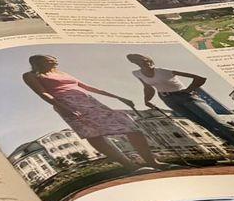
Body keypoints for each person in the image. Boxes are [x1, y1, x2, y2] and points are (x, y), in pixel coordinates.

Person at [22, 54, 160, 169]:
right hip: (68, 104)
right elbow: (43, 93)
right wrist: (65, 108)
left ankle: (152, 161)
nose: (54, 61)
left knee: (129, 125)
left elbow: (88, 87)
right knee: (93, 135)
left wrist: (119, 97)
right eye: (50, 59)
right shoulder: (30, 75)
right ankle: (129, 166)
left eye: (54, 60)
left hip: (89, 101)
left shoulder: (62, 73)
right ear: (39, 62)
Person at [126, 53, 234, 161]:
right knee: (209, 127)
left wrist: (188, 90)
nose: (145, 64)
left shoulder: (164, 71)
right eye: (140, 62)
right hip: (169, 100)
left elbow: (200, 78)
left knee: (217, 122)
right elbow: (148, 87)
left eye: (147, 61)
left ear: (150, 61)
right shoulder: (137, 73)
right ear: (135, 63)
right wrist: (147, 100)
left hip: (187, 97)